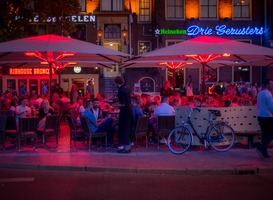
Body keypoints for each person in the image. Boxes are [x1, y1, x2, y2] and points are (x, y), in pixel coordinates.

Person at [113, 75, 132, 153]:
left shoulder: (120, 90)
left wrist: (114, 105)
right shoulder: (126, 89)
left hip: (124, 112)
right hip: (128, 111)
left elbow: (123, 104)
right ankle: (127, 146)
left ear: (116, 82)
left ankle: (126, 148)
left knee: (123, 129)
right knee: (126, 129)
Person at [256, 79, 273, 159]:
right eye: (271, 84)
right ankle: (261, 147)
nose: (272, 86)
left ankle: (264, 153)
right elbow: (270, 106)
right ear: (267, 85)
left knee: (265, 135)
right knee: (271, 134)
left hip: (260, 116)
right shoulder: (268, 94)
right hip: (267, 116)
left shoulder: (259, 93)